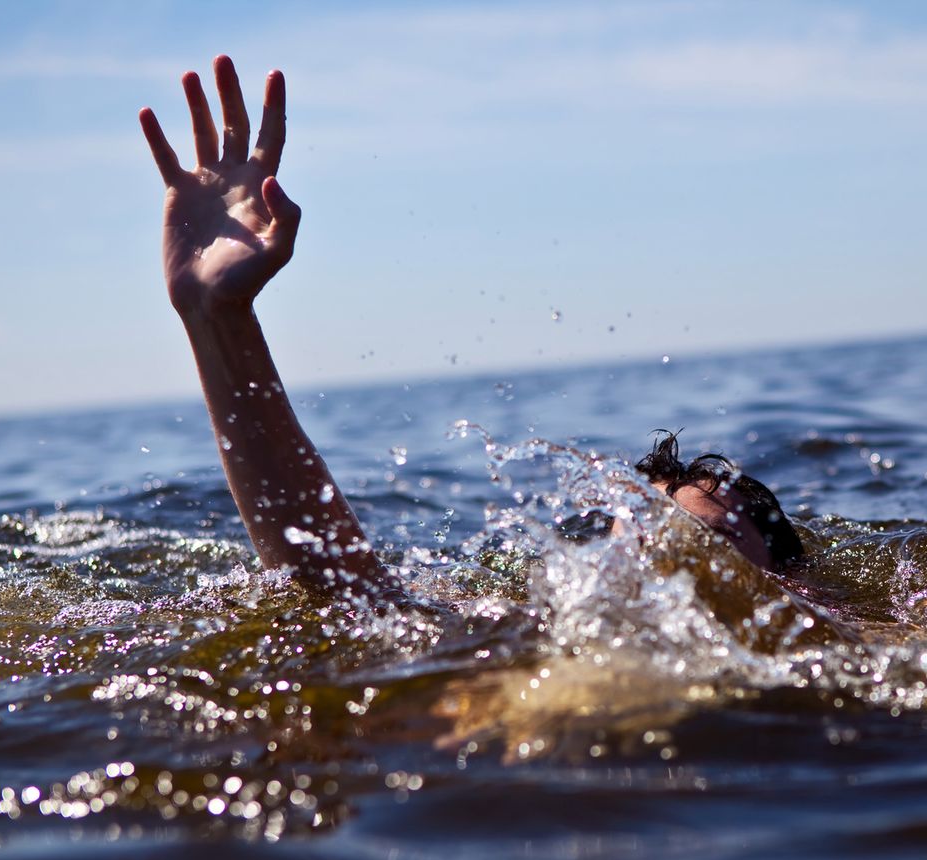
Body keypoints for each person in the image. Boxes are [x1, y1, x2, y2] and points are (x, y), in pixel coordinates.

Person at [138, 56, 801, 606]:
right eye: (643, 537)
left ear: (792, 588)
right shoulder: (523, 635)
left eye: (707, 541)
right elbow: (341, 594)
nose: (662, 555)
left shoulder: (828, 650)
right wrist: (217, 320)